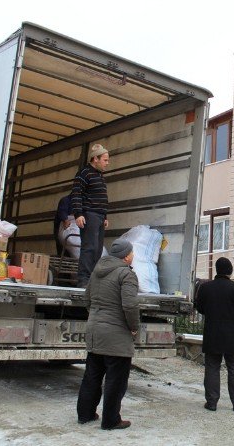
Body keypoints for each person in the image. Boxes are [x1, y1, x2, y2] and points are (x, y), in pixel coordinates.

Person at [76, 239, 139, 430]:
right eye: (132, 252)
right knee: (116, 380)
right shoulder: (126, 274)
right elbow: (129, 305)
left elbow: (87, 299)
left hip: (95, 331)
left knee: (92, 376)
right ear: (126, 256)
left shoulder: (97, 272)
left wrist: (97, 315)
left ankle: (85, 414)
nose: (133, 255)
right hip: (116, 335)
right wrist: (133, 326)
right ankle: (111, 420)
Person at [195, 257, 234, 412]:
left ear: (216, 270)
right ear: (230, 271)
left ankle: (212, 402)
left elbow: (199, 307)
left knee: (212, 368)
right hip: (231, 336)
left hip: (211, 334)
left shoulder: (205, 287)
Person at [72, 143, 110, 287]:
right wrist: (78, 214)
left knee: (98, 249)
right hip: (90, 215)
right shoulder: (84, 173)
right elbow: (76, 194)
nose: (107, 163)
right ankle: (83, 280)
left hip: (99, 216)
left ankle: (92, 280)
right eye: (105, 160)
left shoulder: (100, 176)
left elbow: (101, 197)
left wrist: (105, 216)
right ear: (95, 159)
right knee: (89, 248)